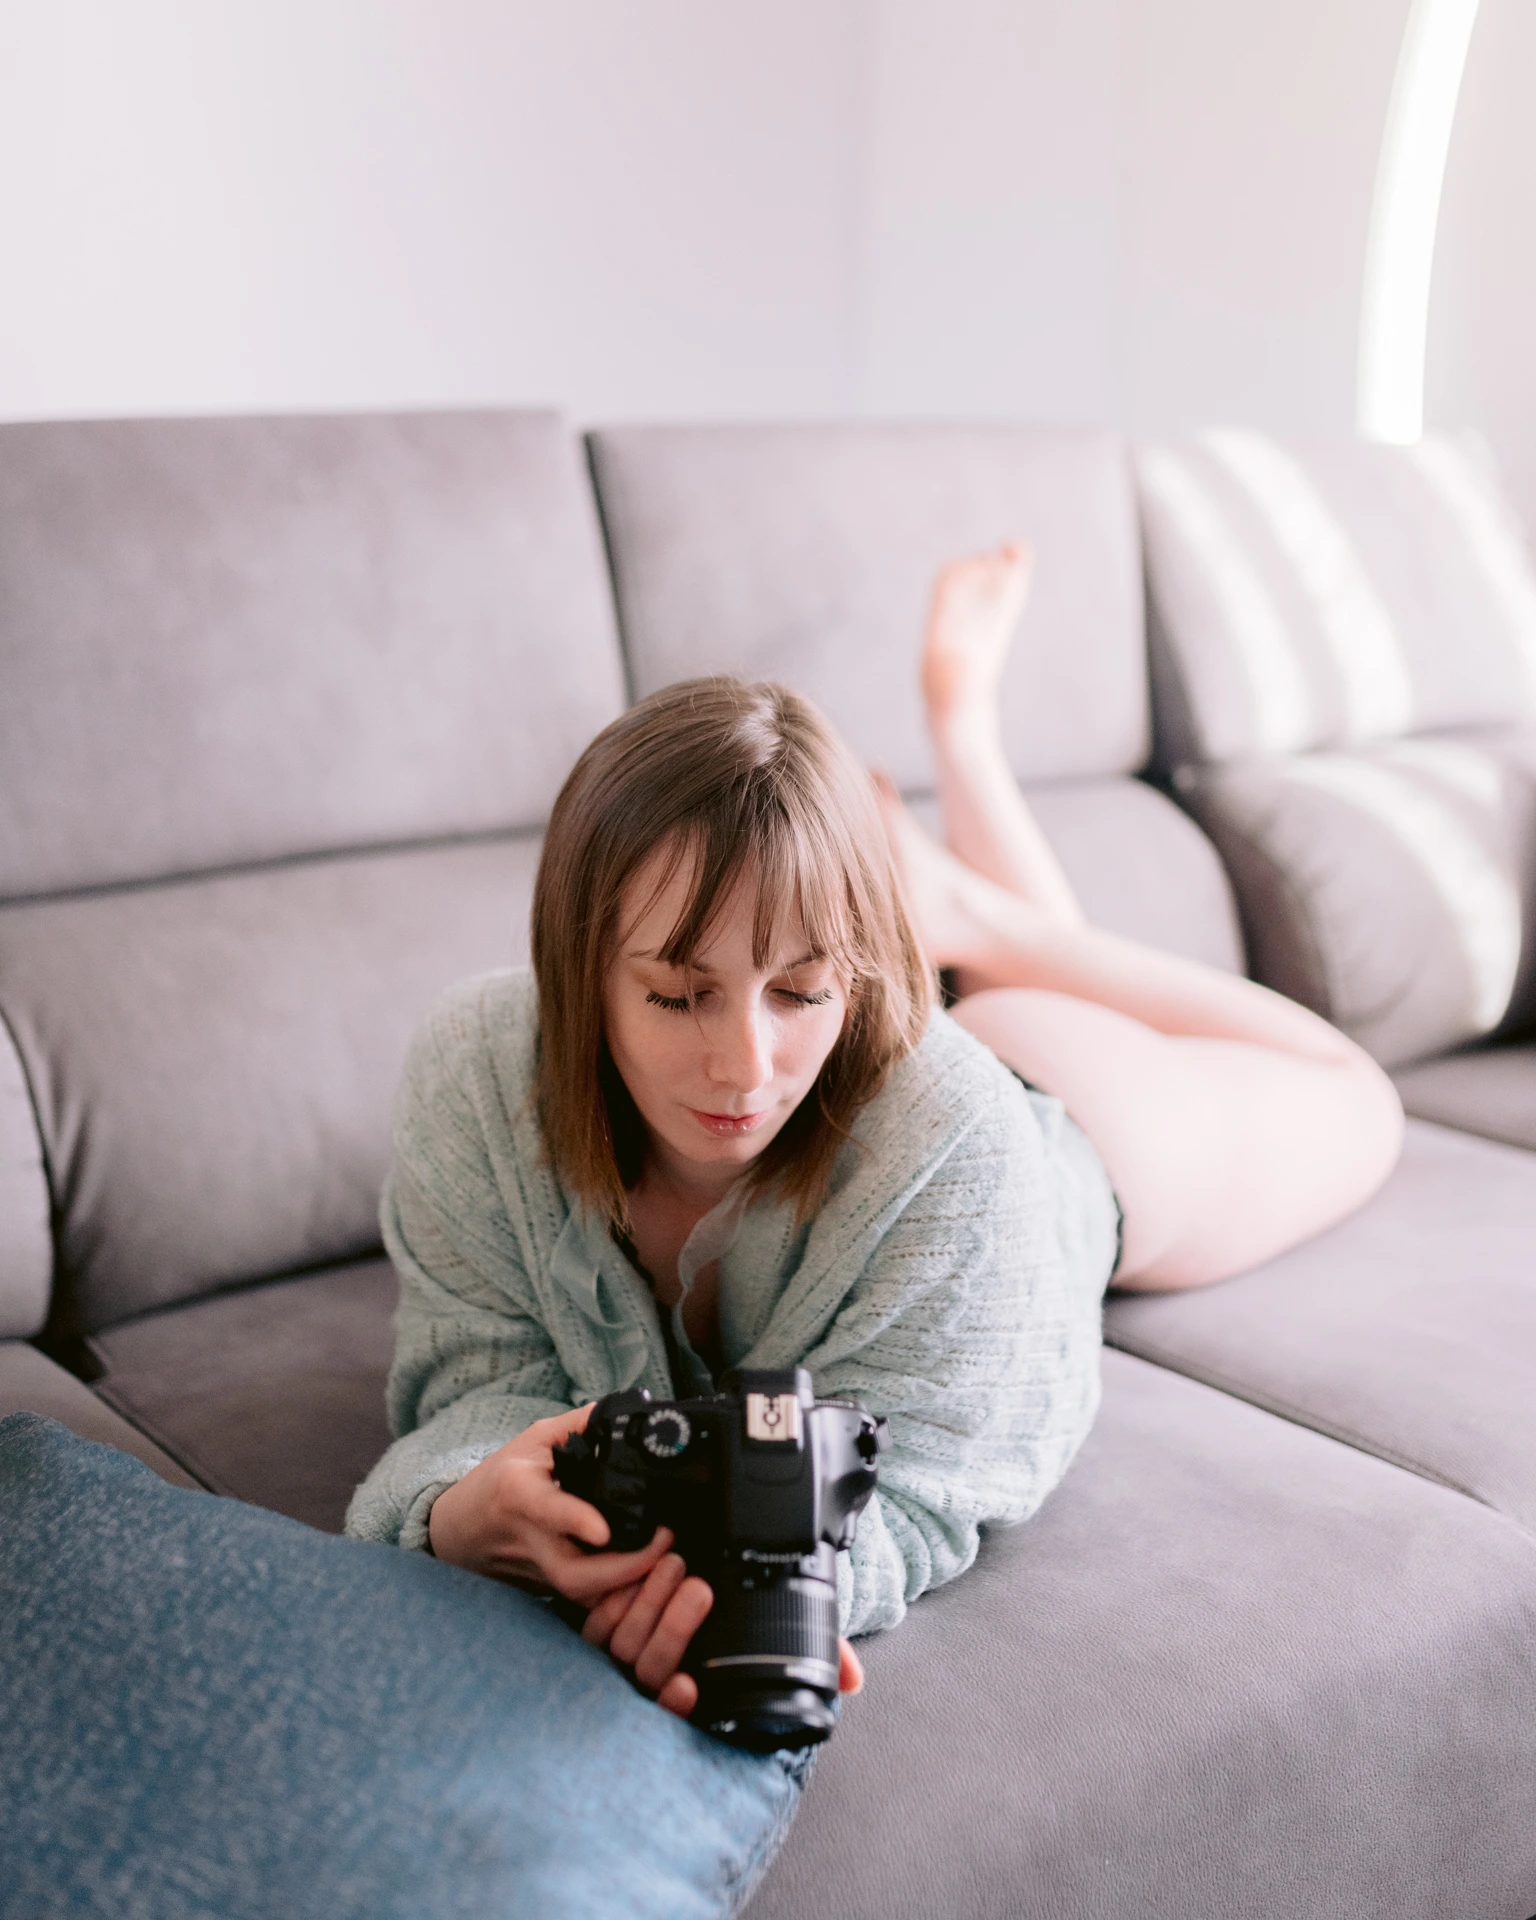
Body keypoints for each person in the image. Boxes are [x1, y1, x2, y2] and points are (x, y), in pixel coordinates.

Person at [344, 541, 1403, 1733]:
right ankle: (953, 870)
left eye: (799, 990)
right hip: (931, 1073)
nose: (742, 1072)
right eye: (678, 993)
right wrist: (460, 1508)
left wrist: (765, 1593)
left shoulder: (966, 1142)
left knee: (1352, 1090)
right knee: (981, 998)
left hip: (1077, 1132)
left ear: (853, 981)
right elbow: (474, 1385)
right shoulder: (478, 1071)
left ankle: (966, 871)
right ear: (576, 968)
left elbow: (919, 1492)